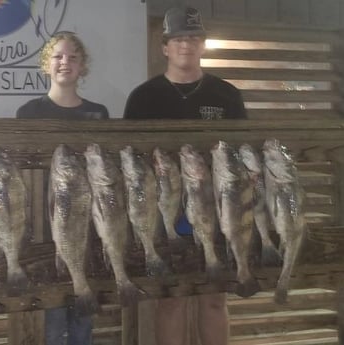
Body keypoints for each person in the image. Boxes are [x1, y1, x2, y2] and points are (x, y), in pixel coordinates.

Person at [123, 6, 247, 345]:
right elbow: (129, 162)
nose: (185, 44)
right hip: (164, 212)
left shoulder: (227, 95)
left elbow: (241, 156)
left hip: (218, 211)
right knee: (171, 301)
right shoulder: (142, 98)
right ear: (164, 47)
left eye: (193, 37)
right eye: (177, 38)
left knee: (213, 299)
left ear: (203, 45)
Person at [16, 31, 108, 345]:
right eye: (57, 56)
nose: (64, 62)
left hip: (89, 226)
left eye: (72, 57)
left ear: (83, 66)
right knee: (52, 324)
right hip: (44, 228)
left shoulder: (98, 113)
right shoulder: (28, 113)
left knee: (82, 323)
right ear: (46, 65)